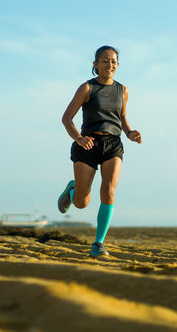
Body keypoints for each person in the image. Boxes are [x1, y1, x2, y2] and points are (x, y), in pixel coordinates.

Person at [57, 46, 142, 257]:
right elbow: (67, 118)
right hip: (87, 144)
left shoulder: (123, 90)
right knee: (81, 203)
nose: (109, 65)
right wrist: (79, 138)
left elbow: (121, 117)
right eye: (105, 61)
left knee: (109, 190)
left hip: (113, 144)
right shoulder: (87, 88)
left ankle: (98, 243)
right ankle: (72, 190)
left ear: (118, 65)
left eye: (113, 61)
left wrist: (130, 133)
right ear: (95, 64)